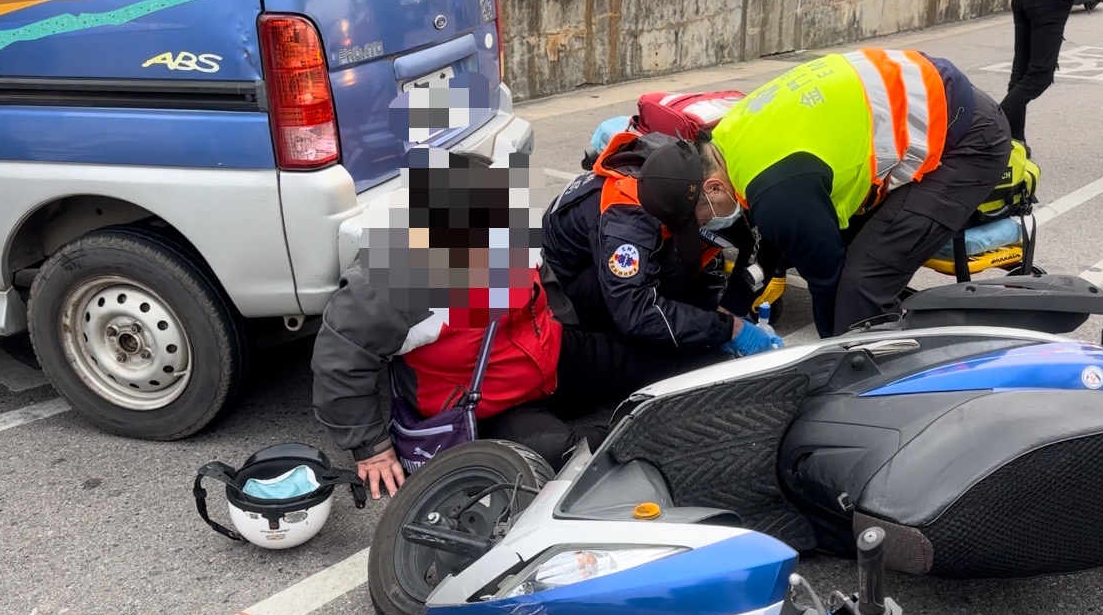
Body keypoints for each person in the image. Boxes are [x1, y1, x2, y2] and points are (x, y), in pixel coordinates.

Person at [311, 147, 781, 501]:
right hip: (485, 403)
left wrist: (727, 332)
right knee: (577, 457)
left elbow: (546, 283)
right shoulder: (400, 275)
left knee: (669, 360)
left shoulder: (507, 230)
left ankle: (754, 392)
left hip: (553, 357)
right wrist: (370, 446)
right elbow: (340, 354)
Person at [637, 49, 1013, 338]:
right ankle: (898, 338)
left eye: (702, 217)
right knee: (859, 271)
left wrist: (828, 359)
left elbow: (825, 281)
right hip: (936, 98)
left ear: (713, 186)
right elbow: (772, 239)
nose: (710, 224)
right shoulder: (725, 141)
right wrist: (734, 308)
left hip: (965, 141)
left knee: (860, 286)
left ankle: (873, 402)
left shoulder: (777, 192)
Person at [540, 128, 782, 356]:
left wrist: (725, 309)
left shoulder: (685, 172)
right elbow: (635, 311)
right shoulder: (628, 218)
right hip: (566, 298)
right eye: (703, 218)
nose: (704, 223)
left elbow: (728, 253)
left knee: (685, 261)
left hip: (601, 264)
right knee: (664, 337)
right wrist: (728, 329)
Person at [999, 0, 1077, 152]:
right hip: (1049, 0)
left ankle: (1015, 140)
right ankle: (992, 124)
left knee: (1020, 73)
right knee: (1040, 75)